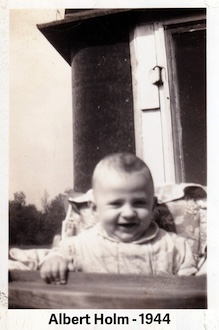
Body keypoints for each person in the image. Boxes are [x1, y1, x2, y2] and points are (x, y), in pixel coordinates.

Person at [40, 152, 197, 284]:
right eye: (116, 204)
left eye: (139, 203)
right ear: (95, 209)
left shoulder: (174, 246)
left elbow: (190, 290)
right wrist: (55, 260)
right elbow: (59, 252)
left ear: (153, 206)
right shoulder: (82, 245)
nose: (128, 213)